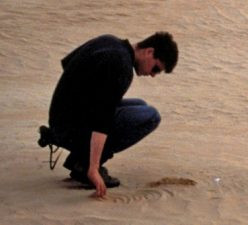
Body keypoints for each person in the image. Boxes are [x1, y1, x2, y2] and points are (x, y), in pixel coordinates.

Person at [41, 32, 178, 197]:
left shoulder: (109, 41)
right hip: (69, 128)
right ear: (149, 52)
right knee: (151, 116)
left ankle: (79, 158)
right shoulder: (122, 66)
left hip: (60, 119)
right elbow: (101, 119)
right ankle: (84, 165)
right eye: (155, 68)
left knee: (140, 105)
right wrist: (93, 168)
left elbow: (68, 64)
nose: (153, 74)